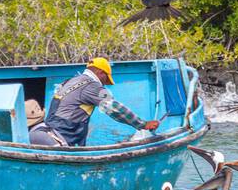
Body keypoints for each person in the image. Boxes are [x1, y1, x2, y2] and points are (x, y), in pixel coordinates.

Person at [30, 58, 160, 147]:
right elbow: (114, 108)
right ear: (100, 72)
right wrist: (142, 124)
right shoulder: (92, 86)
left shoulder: (70, 81)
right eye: (105, 79)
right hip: (55, 140)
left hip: (38, 133)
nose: (104, 84)